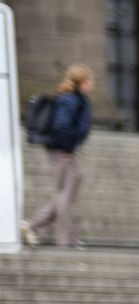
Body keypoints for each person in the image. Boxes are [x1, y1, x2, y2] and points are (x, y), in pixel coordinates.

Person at [22, 65, 93, 250]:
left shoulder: (76, 99)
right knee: (65, 196)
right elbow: (61, 126)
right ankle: (65, 239)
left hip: (68, 151)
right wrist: (68, 147)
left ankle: (34, 226)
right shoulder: (70, 100)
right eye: (89, 80)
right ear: (83, 82)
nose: (92, 84)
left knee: (67, 195)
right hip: (64, 152)